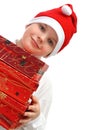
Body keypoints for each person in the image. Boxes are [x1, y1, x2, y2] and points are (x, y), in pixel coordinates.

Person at [0, 3, 77, 130]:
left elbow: (39, 128)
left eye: (50, 41)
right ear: (29, 24)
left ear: (49, 53)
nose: (42, 38)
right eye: (42, 28)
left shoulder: (44, 84)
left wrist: (35, 117)